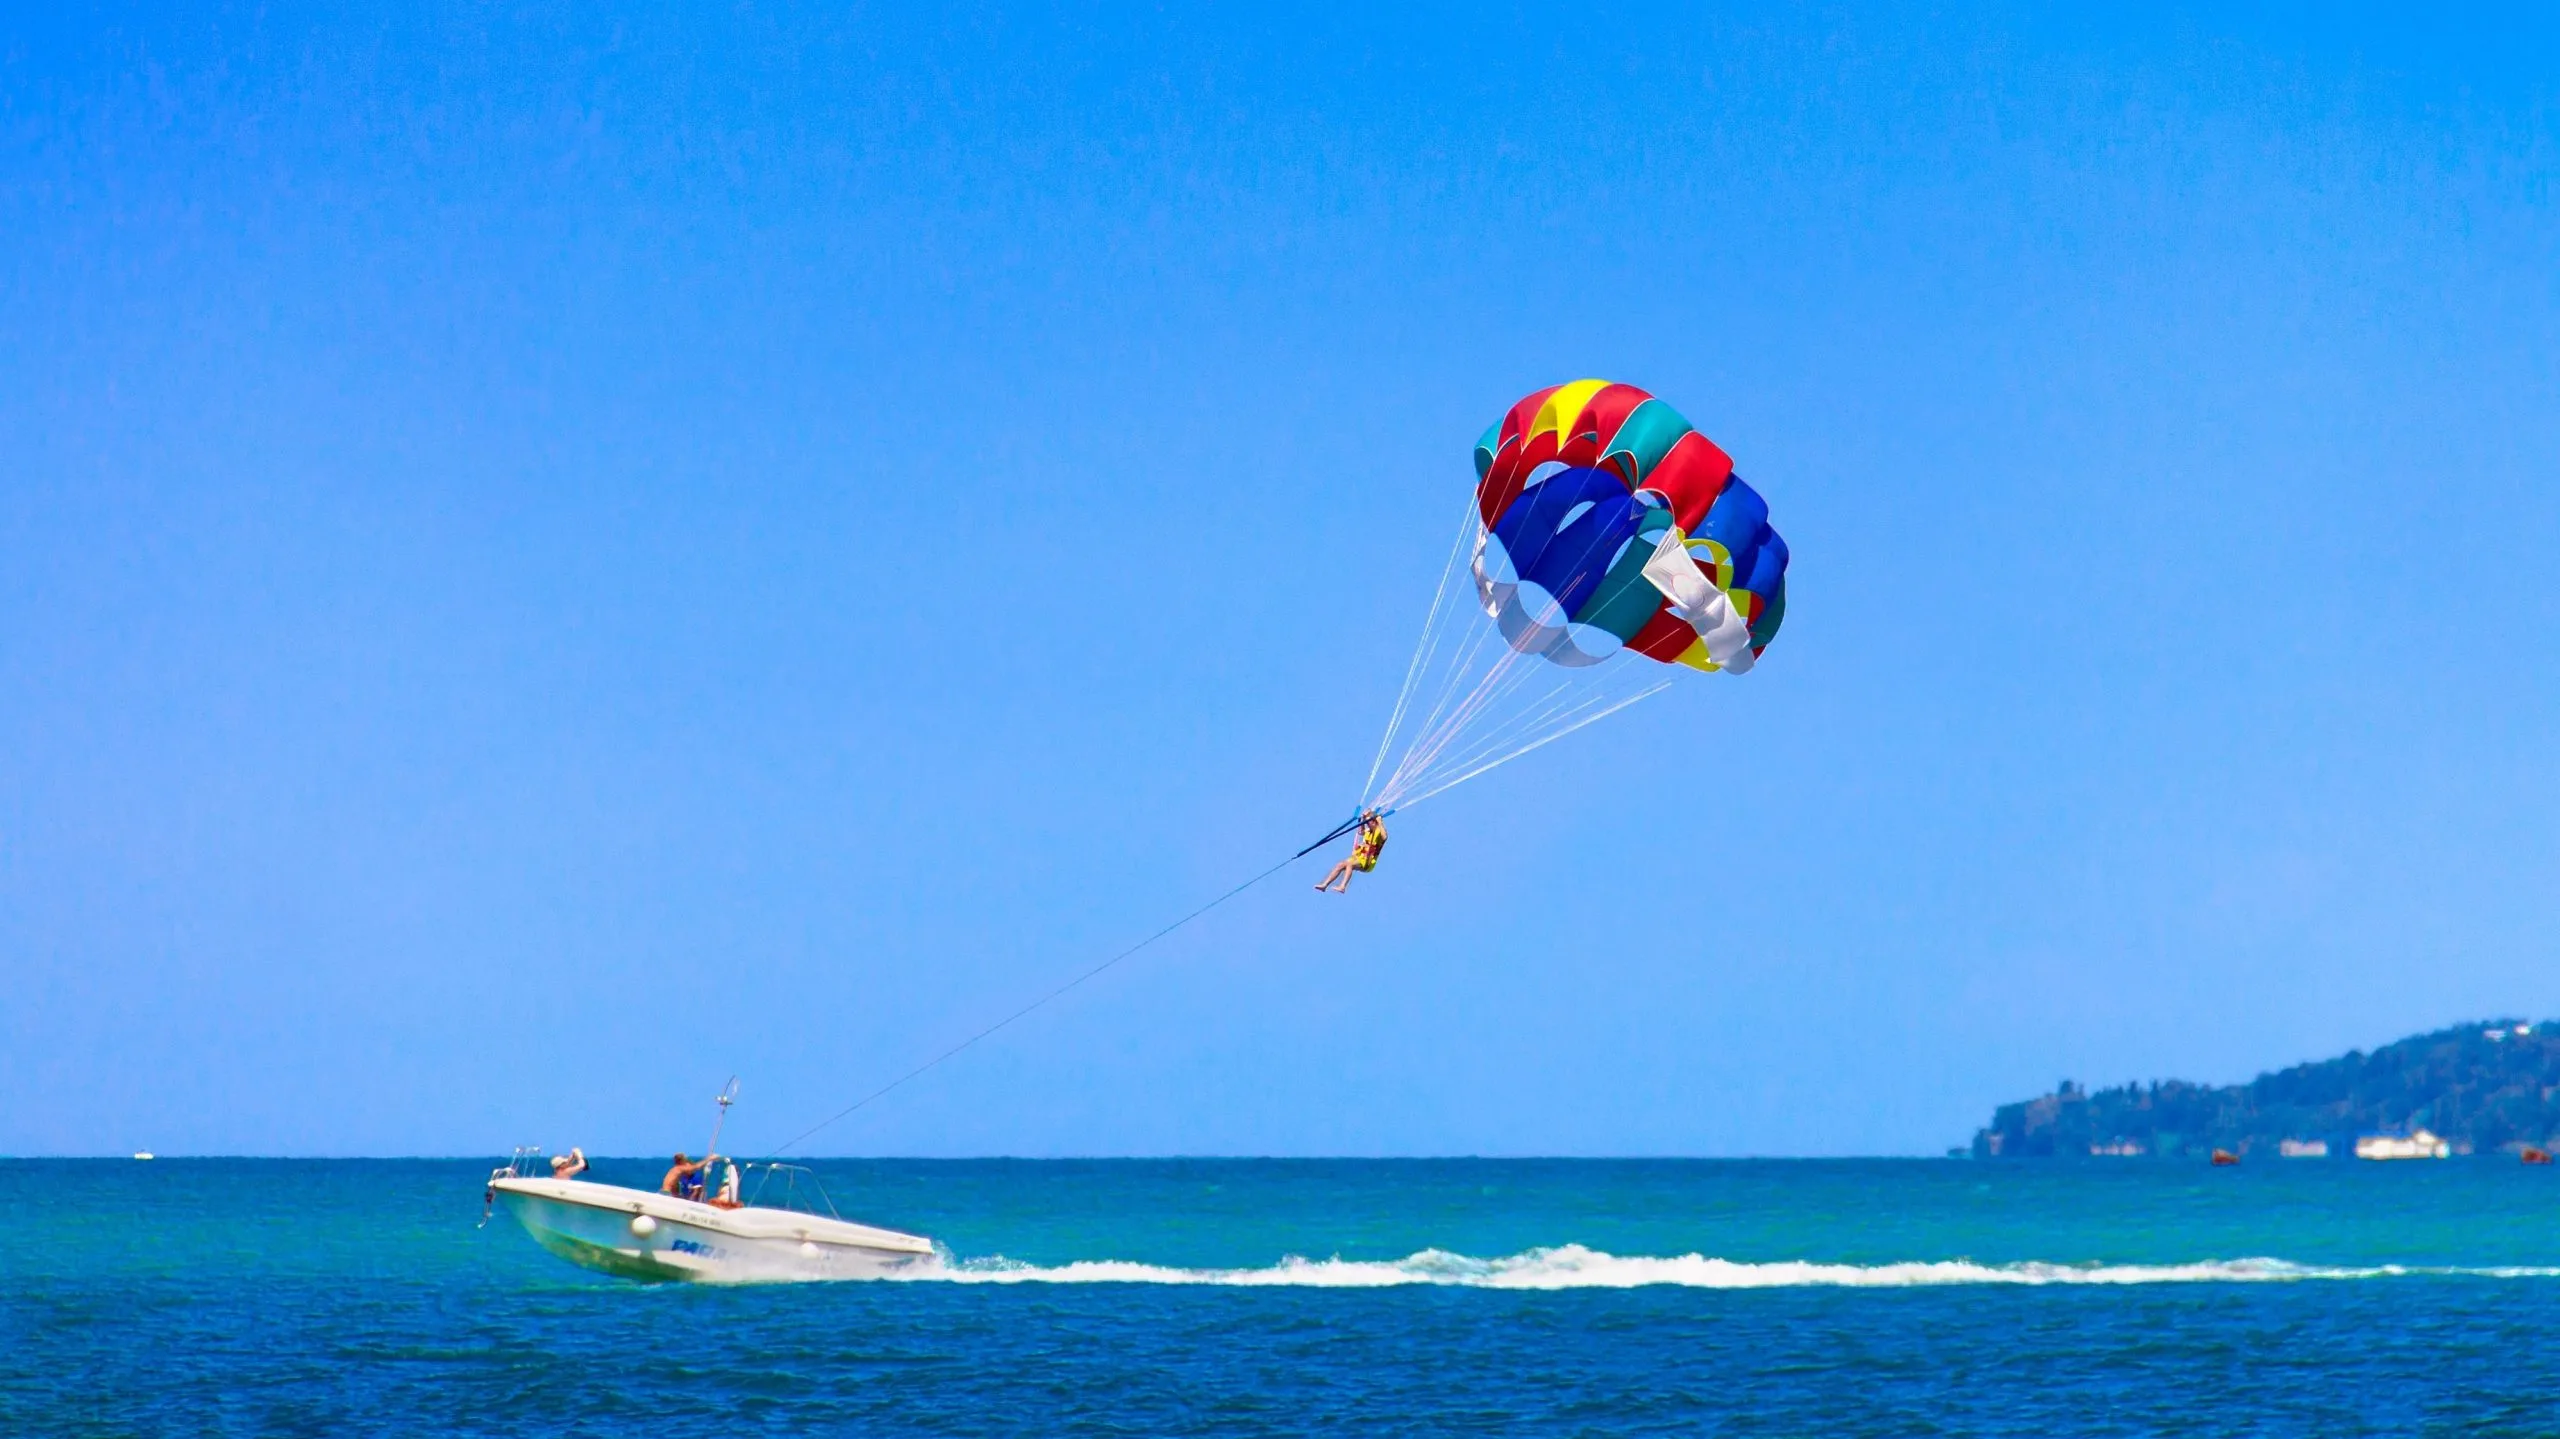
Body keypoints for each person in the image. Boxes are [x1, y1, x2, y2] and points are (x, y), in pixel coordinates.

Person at [1316, 810, 1387, 893]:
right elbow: (1361, 832)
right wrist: (1363, 819)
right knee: (1340, 864)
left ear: (1374, 822)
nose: (1367, 824)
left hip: (1367, 861)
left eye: (1368, 822)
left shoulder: (1379, 831)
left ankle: (1342, 887)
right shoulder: (1369, 831)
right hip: (1359, 857)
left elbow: (1385, 837)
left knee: (1349, 864)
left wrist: (1380, 822)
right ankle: (1324, 885)